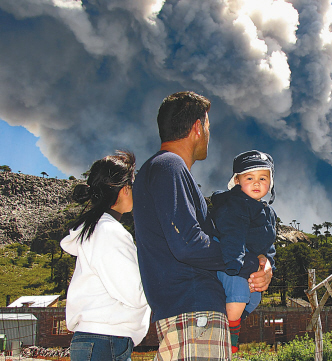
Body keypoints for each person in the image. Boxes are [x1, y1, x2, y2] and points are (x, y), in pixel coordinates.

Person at [132, 91, 273, 361]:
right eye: (208, 126)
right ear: (197, 127)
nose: (209, 134)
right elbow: (189, 244)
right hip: (195, 314)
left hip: (187, 312)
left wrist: (262, 263)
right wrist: (249, 265)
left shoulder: (161, 169)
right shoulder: (169, 166)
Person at [61, 150, 151, 361]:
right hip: (106, 340)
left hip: (100, 340)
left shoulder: (98, 230)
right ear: (123, 190)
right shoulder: (108, 232)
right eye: (132, 183)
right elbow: (135, 293)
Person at [210, 150, 277, 353]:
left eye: (262, 178)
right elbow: (232, 234)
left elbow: (269, 245)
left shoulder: (268, 213)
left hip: (245, 263)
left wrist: (268, 263)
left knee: (254, 297)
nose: (257, 183)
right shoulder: (235, 204)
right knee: (239, 293)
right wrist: (234, 265)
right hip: (231, 260)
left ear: (270, 183)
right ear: (237, 181)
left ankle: (233, 321)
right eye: (249, 177)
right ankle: (229, 337)